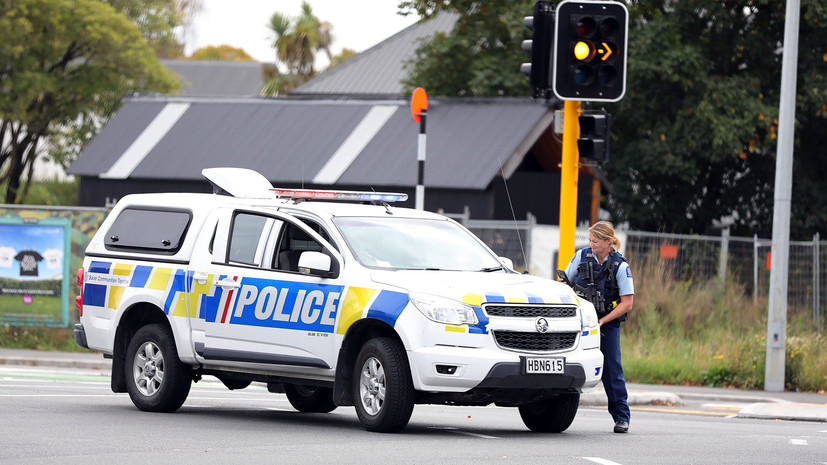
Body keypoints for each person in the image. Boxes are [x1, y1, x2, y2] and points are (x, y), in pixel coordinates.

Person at [564, 221, 634, 433]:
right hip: (581, 320)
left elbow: (627, 303)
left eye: (595, 241)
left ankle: (621, 417)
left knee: (612, 370)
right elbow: (565, 283)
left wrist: (602, 321)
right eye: (590, 240)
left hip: (607, 322)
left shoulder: (620, 266)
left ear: (608, 241)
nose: (590, 244)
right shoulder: (581, 256)